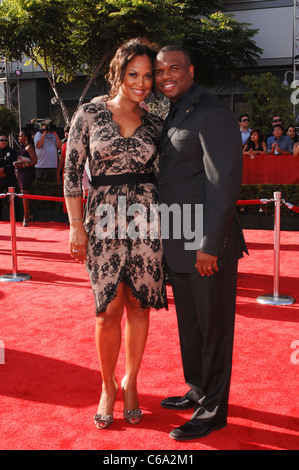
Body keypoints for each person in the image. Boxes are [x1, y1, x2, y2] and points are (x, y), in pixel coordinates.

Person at [63, 38, 167, 430]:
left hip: (148, 219)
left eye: (146, 77)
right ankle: (107, 386)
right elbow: (73, 173)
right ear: (118, 73)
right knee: (107, 311)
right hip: (102, 219)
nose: (141, 83)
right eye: (132, 75)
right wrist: (76, 226)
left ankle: (132, 382)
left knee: (139, 306)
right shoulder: (89, 114)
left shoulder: (157, 121)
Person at [154, 45, 247, 441]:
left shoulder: (212, 112)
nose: (165, 76)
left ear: (190, 70)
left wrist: (210, 244)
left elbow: (223, 182)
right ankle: (197, 388)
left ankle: (213, 412)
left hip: (208, 247)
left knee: (213, 331)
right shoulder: (175, 111)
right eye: (159, 71)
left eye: (174, 68)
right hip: (178, 240)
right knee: (190, 327)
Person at [14, 130, 37, 226]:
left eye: (20, 136)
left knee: (24, 192)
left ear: (26, 137)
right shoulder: (22, 147)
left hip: (27, 172)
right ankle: (27, 214)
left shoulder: (29, 147)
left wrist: (23, 166)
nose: (19, 138)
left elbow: (35, 161)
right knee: (23, 192)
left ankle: (26, 216)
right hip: (21, 172)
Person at [0, 135, 18, 220]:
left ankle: (15, 218)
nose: (4, 142)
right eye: (1, 140)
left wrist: (4, 170)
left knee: (13, 199)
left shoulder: (12, 151)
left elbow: (13, 163)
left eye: (5, 140)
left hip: (9, 177)